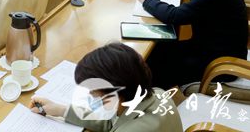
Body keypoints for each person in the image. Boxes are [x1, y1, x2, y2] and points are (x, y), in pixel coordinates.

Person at [138, 0, 248, 88]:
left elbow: (174, 15)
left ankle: (153, 95)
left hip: (219, 63)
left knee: (157, 67)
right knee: (159, 48)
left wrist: (148, 0)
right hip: (212, 46)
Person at [30, 43, 182, 131]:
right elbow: (111, 122)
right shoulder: (155, 94)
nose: (91, 96)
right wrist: (60, 110)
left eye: (94, 92)